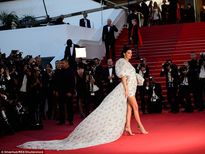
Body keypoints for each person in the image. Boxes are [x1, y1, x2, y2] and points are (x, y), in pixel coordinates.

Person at [17, 45, 148, 150]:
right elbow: (123, 77)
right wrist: (125, 89)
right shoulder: (121, 62)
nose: (131, 54)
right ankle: (140, 127)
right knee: (135, 107)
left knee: (130, 109)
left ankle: (128, 128)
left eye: (131, 53)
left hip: (131, 88)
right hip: (127, 89)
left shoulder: (128, 63)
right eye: (129, 53)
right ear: (124, 53)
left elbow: (131, 76)